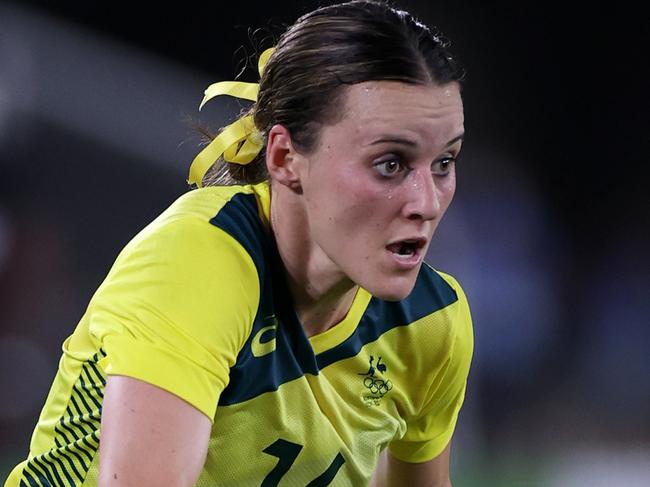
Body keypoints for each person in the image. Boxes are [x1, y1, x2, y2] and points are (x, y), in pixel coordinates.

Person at [4, 0, 473, 485]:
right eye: (390, 163)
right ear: (286, 157)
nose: (427, 201)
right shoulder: (197, 264)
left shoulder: (430, 321)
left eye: (444, 162)